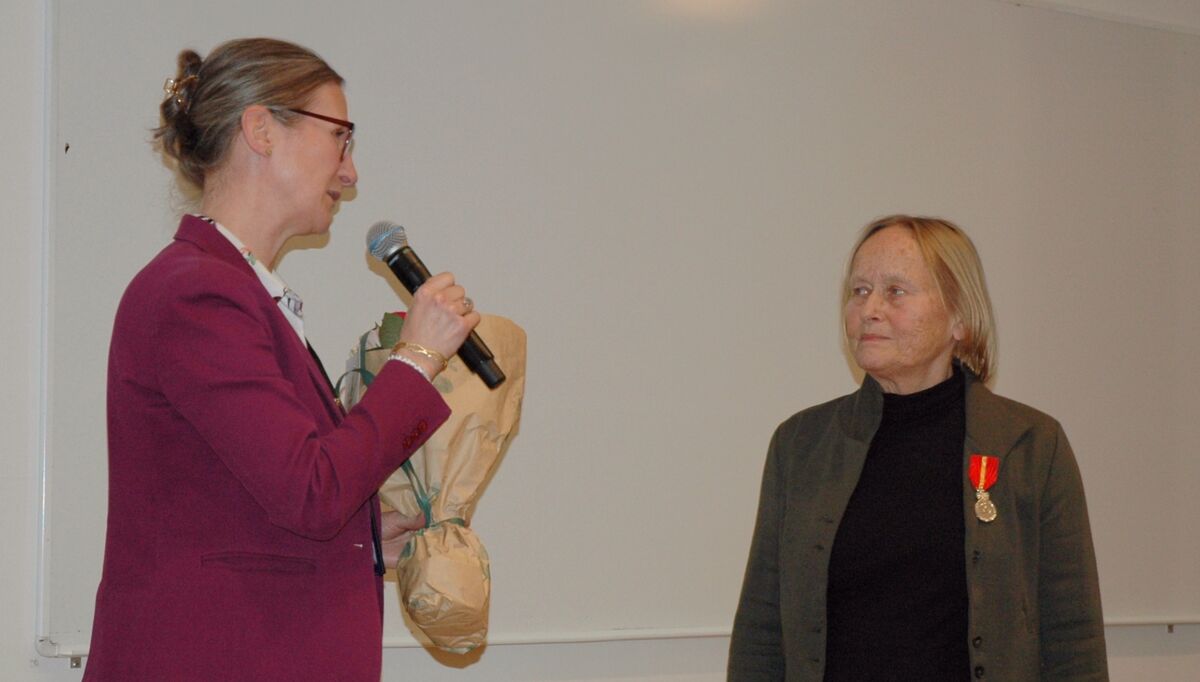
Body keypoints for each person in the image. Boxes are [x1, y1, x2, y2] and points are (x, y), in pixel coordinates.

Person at [83, 38, 479, 680]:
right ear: (261, 129)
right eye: (340, 139)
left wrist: (367, 533)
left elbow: (260, 499)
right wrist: (419, 356)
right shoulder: (195, 292)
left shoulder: (232, 292)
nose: (350, 174)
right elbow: (310, 491)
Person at [728, 215, 1108, 681]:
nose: (870, 309)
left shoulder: (1030, 445)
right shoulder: (801, 445)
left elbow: (1073, 636)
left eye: (895, 291)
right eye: (859, 290)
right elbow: (761, 631)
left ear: (960, 318)